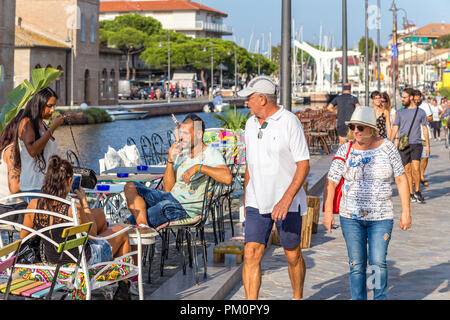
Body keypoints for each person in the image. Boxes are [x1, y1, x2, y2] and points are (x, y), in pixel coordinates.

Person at [323, 106, 411, 300]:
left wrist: (406, 211)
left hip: (381, 217)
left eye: (361, 127)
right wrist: (328, 213)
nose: (356, 131)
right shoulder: (345, 149)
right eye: (353, 127)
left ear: (372, 129)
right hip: (350, 217)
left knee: (378, 263)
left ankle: (379, 297)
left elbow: (401, 179)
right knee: (356, 265)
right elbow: (331, 180)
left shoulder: (387, 148)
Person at [237, 76, 310, 300]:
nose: (246, 103)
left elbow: (304, 165)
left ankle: (297, 297)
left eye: (249, 98)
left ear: (262, 98)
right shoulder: (249, 124)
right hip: (256, 200)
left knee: (292, 254)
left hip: (287, 201)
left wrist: (286, 200)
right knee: (251, 253)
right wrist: (246, 194)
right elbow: (250, 161)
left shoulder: (289, 121)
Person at [20, 155, 132, 299]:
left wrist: (47, 227)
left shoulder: (34, 205)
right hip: (82, 262)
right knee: (121, 232)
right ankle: (123, 288)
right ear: (69, 181)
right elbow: (92, 234)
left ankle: (112, 281)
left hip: (50, 260)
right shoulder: (73, 208)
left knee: (98, 217)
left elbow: (24, 236)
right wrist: (84, 202)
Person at [124, 113, 232, 230]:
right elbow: (168, 189)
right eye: (181, 133)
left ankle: (141, 228)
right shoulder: (182, 154)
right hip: (169, 198)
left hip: (185, 208)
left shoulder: (211, 153)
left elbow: (227, 178)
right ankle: (143, 227)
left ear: (199, 134)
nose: (181, 137)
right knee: (130, 186)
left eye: (185, 133)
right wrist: (170, 159)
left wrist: (198, 167)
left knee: (131, 222)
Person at [14, 87, 64, 203]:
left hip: (46, 185)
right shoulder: (27, 123)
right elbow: (33, 151)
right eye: (49, 106)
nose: (53, 110)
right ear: (39, 104)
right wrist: (53, 128)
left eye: (54, 106)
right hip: (33, 187)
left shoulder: (42, 124)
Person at [390, 88, 430, 203]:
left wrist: (427, 145)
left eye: (404, 97)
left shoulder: (421, 112)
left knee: (416, 168)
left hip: (416, 143)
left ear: (411, 98)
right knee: (407, 170)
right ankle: (411, 193)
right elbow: (395, 127)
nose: (402, 99)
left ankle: (417, 191)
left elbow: (425, 128)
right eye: (402, 97)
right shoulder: (400, 112)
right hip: (404, 144)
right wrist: (389, 143)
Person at [0, 110, 27, 223]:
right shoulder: (12, 151)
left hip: (13, 206)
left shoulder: (17, 148)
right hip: (10, 208)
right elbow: (15, 188)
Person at [415, 90, 433, 187]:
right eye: (415, 97)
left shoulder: (425, 105)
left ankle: (421, 174)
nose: (417, 99)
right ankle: (416, 176)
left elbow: (431, 118)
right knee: (414, 159)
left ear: (421, 97)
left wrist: (422, 117)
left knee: (425, 157)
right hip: (413, 136)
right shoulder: (409, 106)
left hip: (424, 135)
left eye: (419, 97)